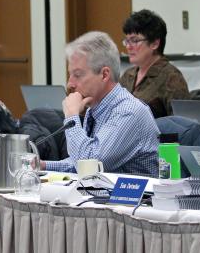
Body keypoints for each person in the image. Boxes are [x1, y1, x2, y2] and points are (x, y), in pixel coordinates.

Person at [43, 31, 159, 176]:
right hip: (104, 195)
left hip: (136, 198)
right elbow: (78, 161)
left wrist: (72, 117)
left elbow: (89, 167)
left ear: (104, 74)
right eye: (70, 74)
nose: (70, 83)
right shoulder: (95, 108)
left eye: (77, 75)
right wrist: (42, 166)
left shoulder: (129, 112)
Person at [119, 9, 190, 118]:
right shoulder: (128, 75)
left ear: (155, 43)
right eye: (127, 41)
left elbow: (184, 125)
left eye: (134, 41)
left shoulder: (172, 77)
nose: (128, 46)